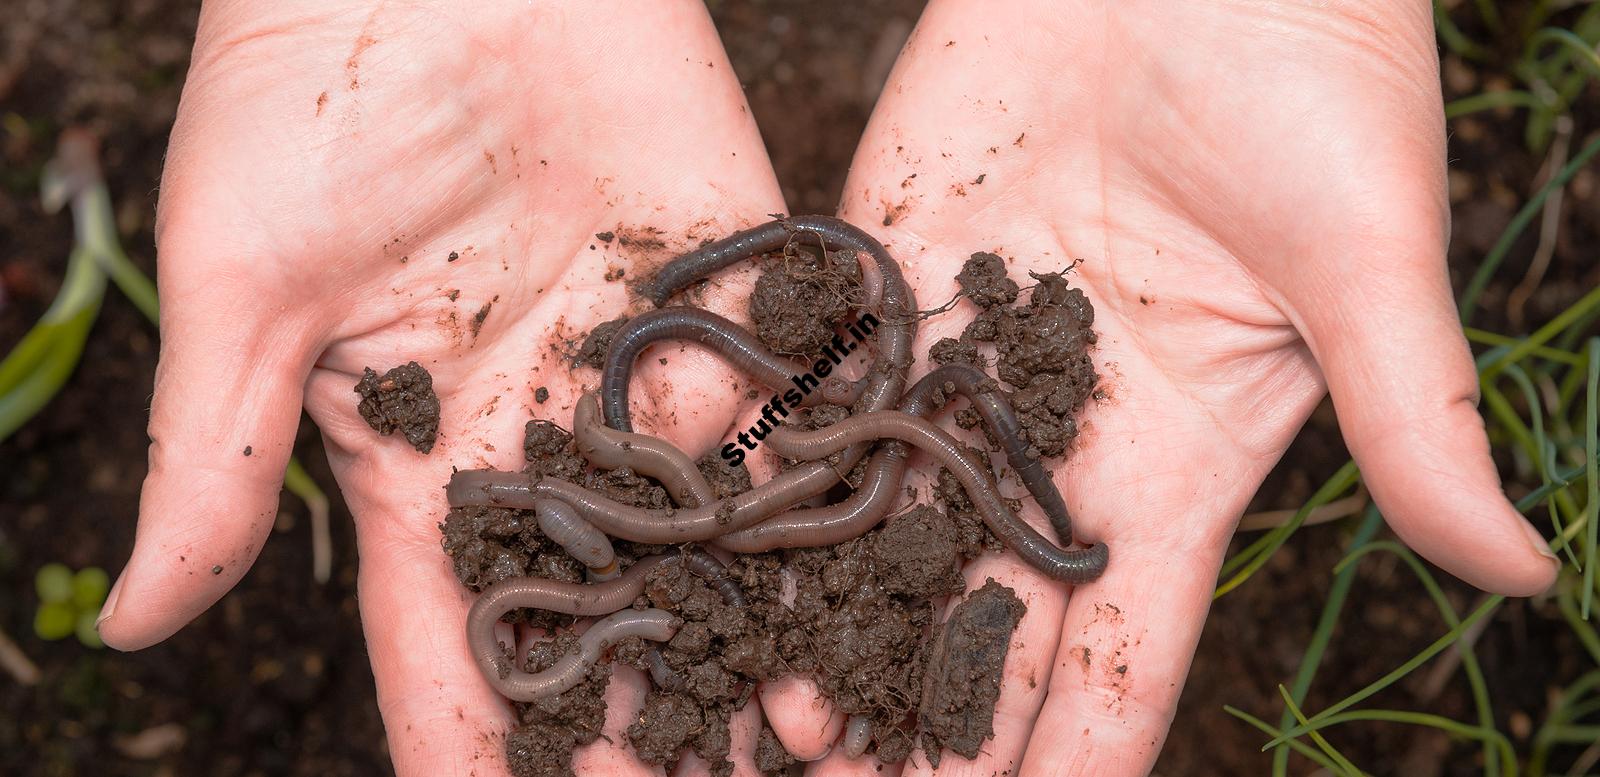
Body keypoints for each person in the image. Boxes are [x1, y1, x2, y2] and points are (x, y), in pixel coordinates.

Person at [96, 2, 1559, 775]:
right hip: (770, 445)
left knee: (805, 438)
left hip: (808, 429)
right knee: (761, 455)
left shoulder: (834, 417)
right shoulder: (763, 443)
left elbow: (809, 417)